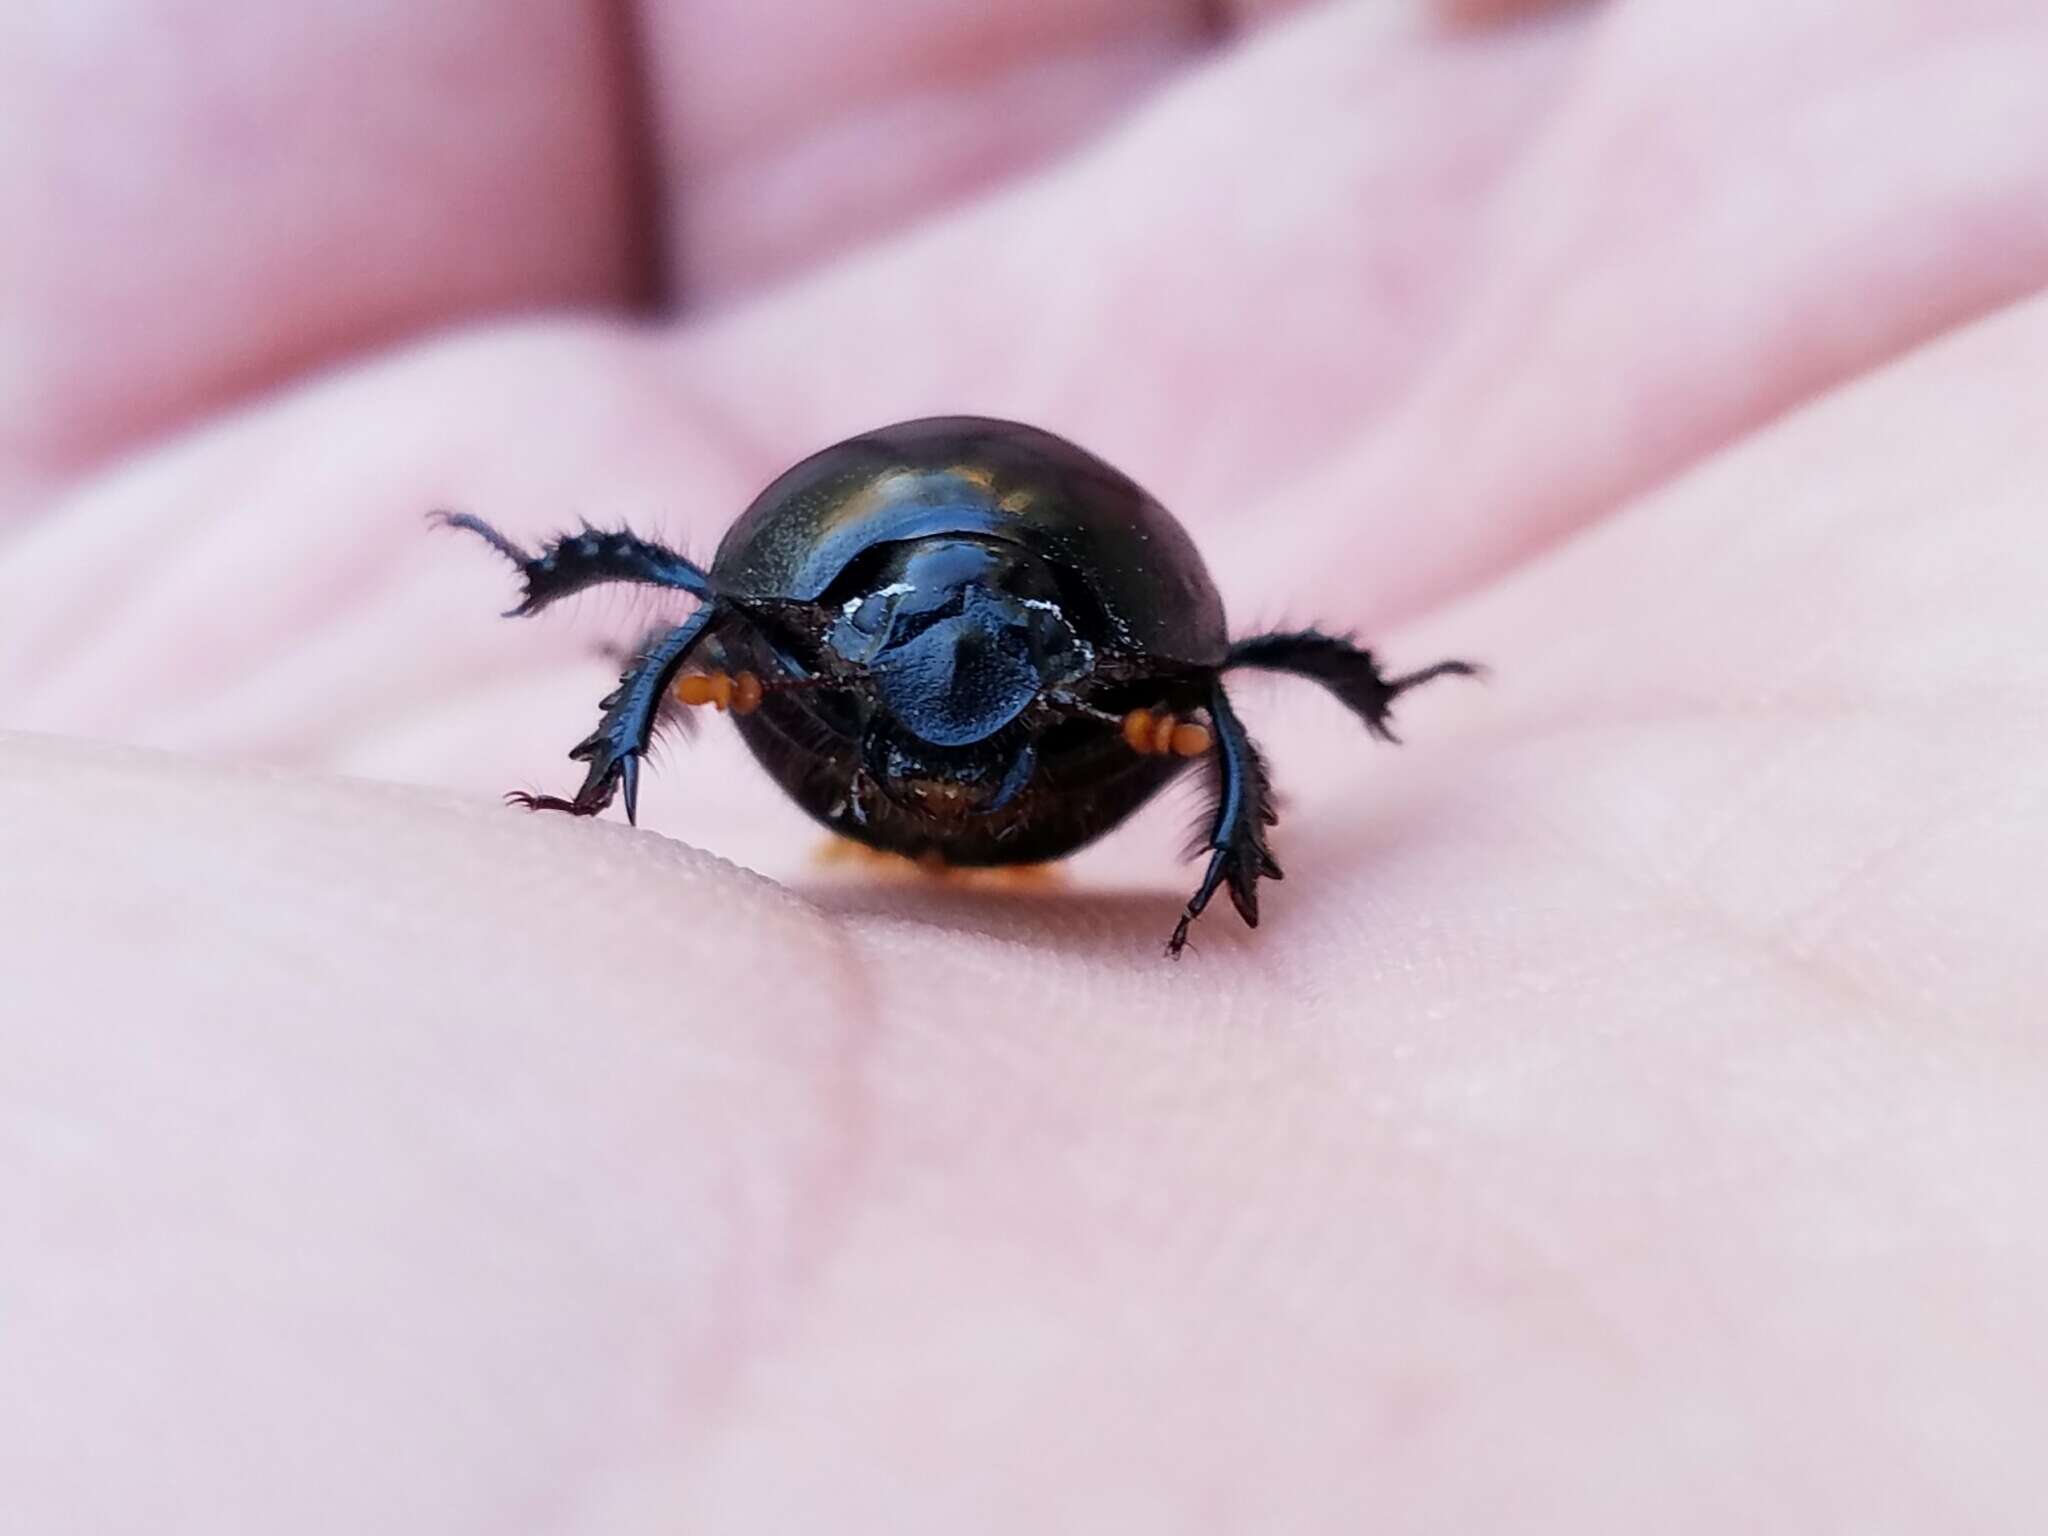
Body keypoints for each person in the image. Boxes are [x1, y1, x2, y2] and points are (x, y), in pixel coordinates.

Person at [4, 0, 2044, 1528]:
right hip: (877, 643)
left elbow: (1238, 690)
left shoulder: (1151, 669)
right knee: (688, 628)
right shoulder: (762, 627)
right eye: (883, 651)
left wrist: (1267, 812)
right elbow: (691, 624)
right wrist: (608, 721)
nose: (953, 695)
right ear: (816, 627)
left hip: (1089, 678)